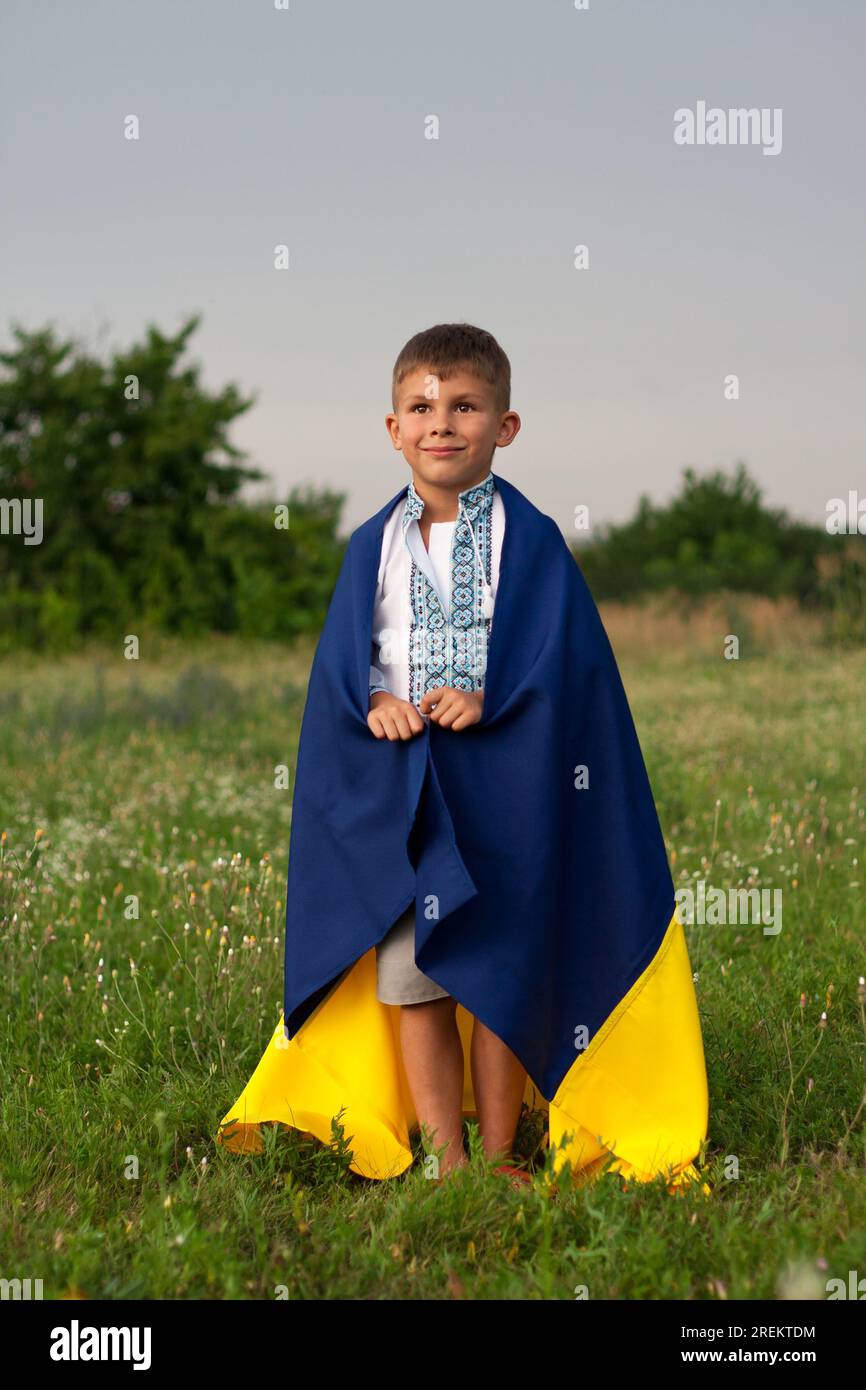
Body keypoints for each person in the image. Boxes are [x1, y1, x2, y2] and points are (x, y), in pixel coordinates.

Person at [218, 323, 709, 1195]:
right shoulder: (372, 546)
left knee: (500, 971)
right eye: (422, 407)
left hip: (510, 795)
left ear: (505, 426)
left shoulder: (535, 540)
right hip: (411, 801)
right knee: (414, 979)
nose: (442, 424)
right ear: (393, 428)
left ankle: (500, 1157)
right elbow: (350, 661)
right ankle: (446, 1160)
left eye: (465, 407)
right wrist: (375, 700)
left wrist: (492, 701)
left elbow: (565, 661)